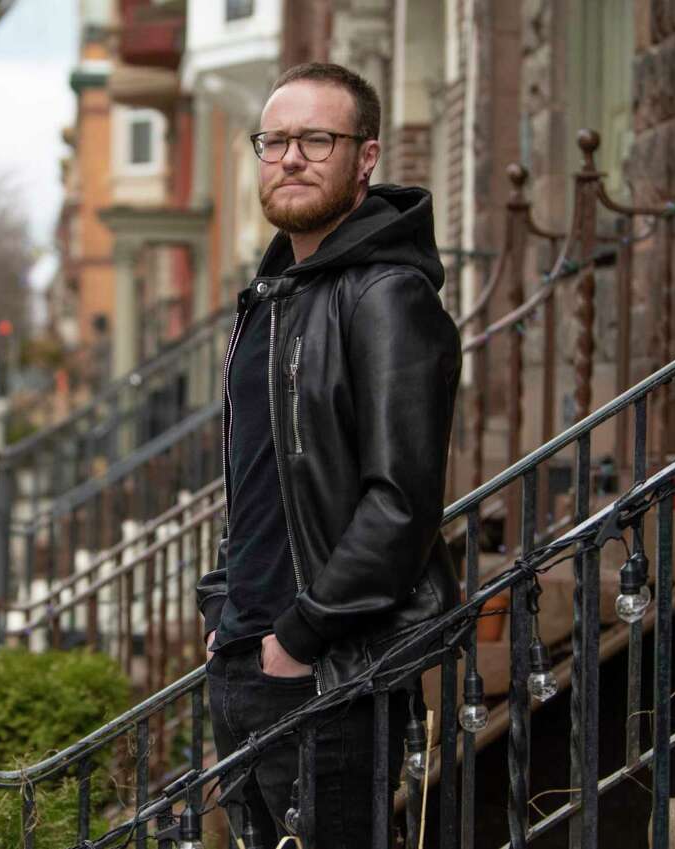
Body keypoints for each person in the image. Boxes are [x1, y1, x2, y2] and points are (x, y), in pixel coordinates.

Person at [196, 63, 462, 847]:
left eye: (317, 138)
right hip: (248, 656)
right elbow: (259, 476)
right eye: (274, 140)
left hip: (329, 672)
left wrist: (301, 634)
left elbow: (401, 503)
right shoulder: (277, 297)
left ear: (366, 155)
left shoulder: (386, 296)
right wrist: (223, 600)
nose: (290, 157)